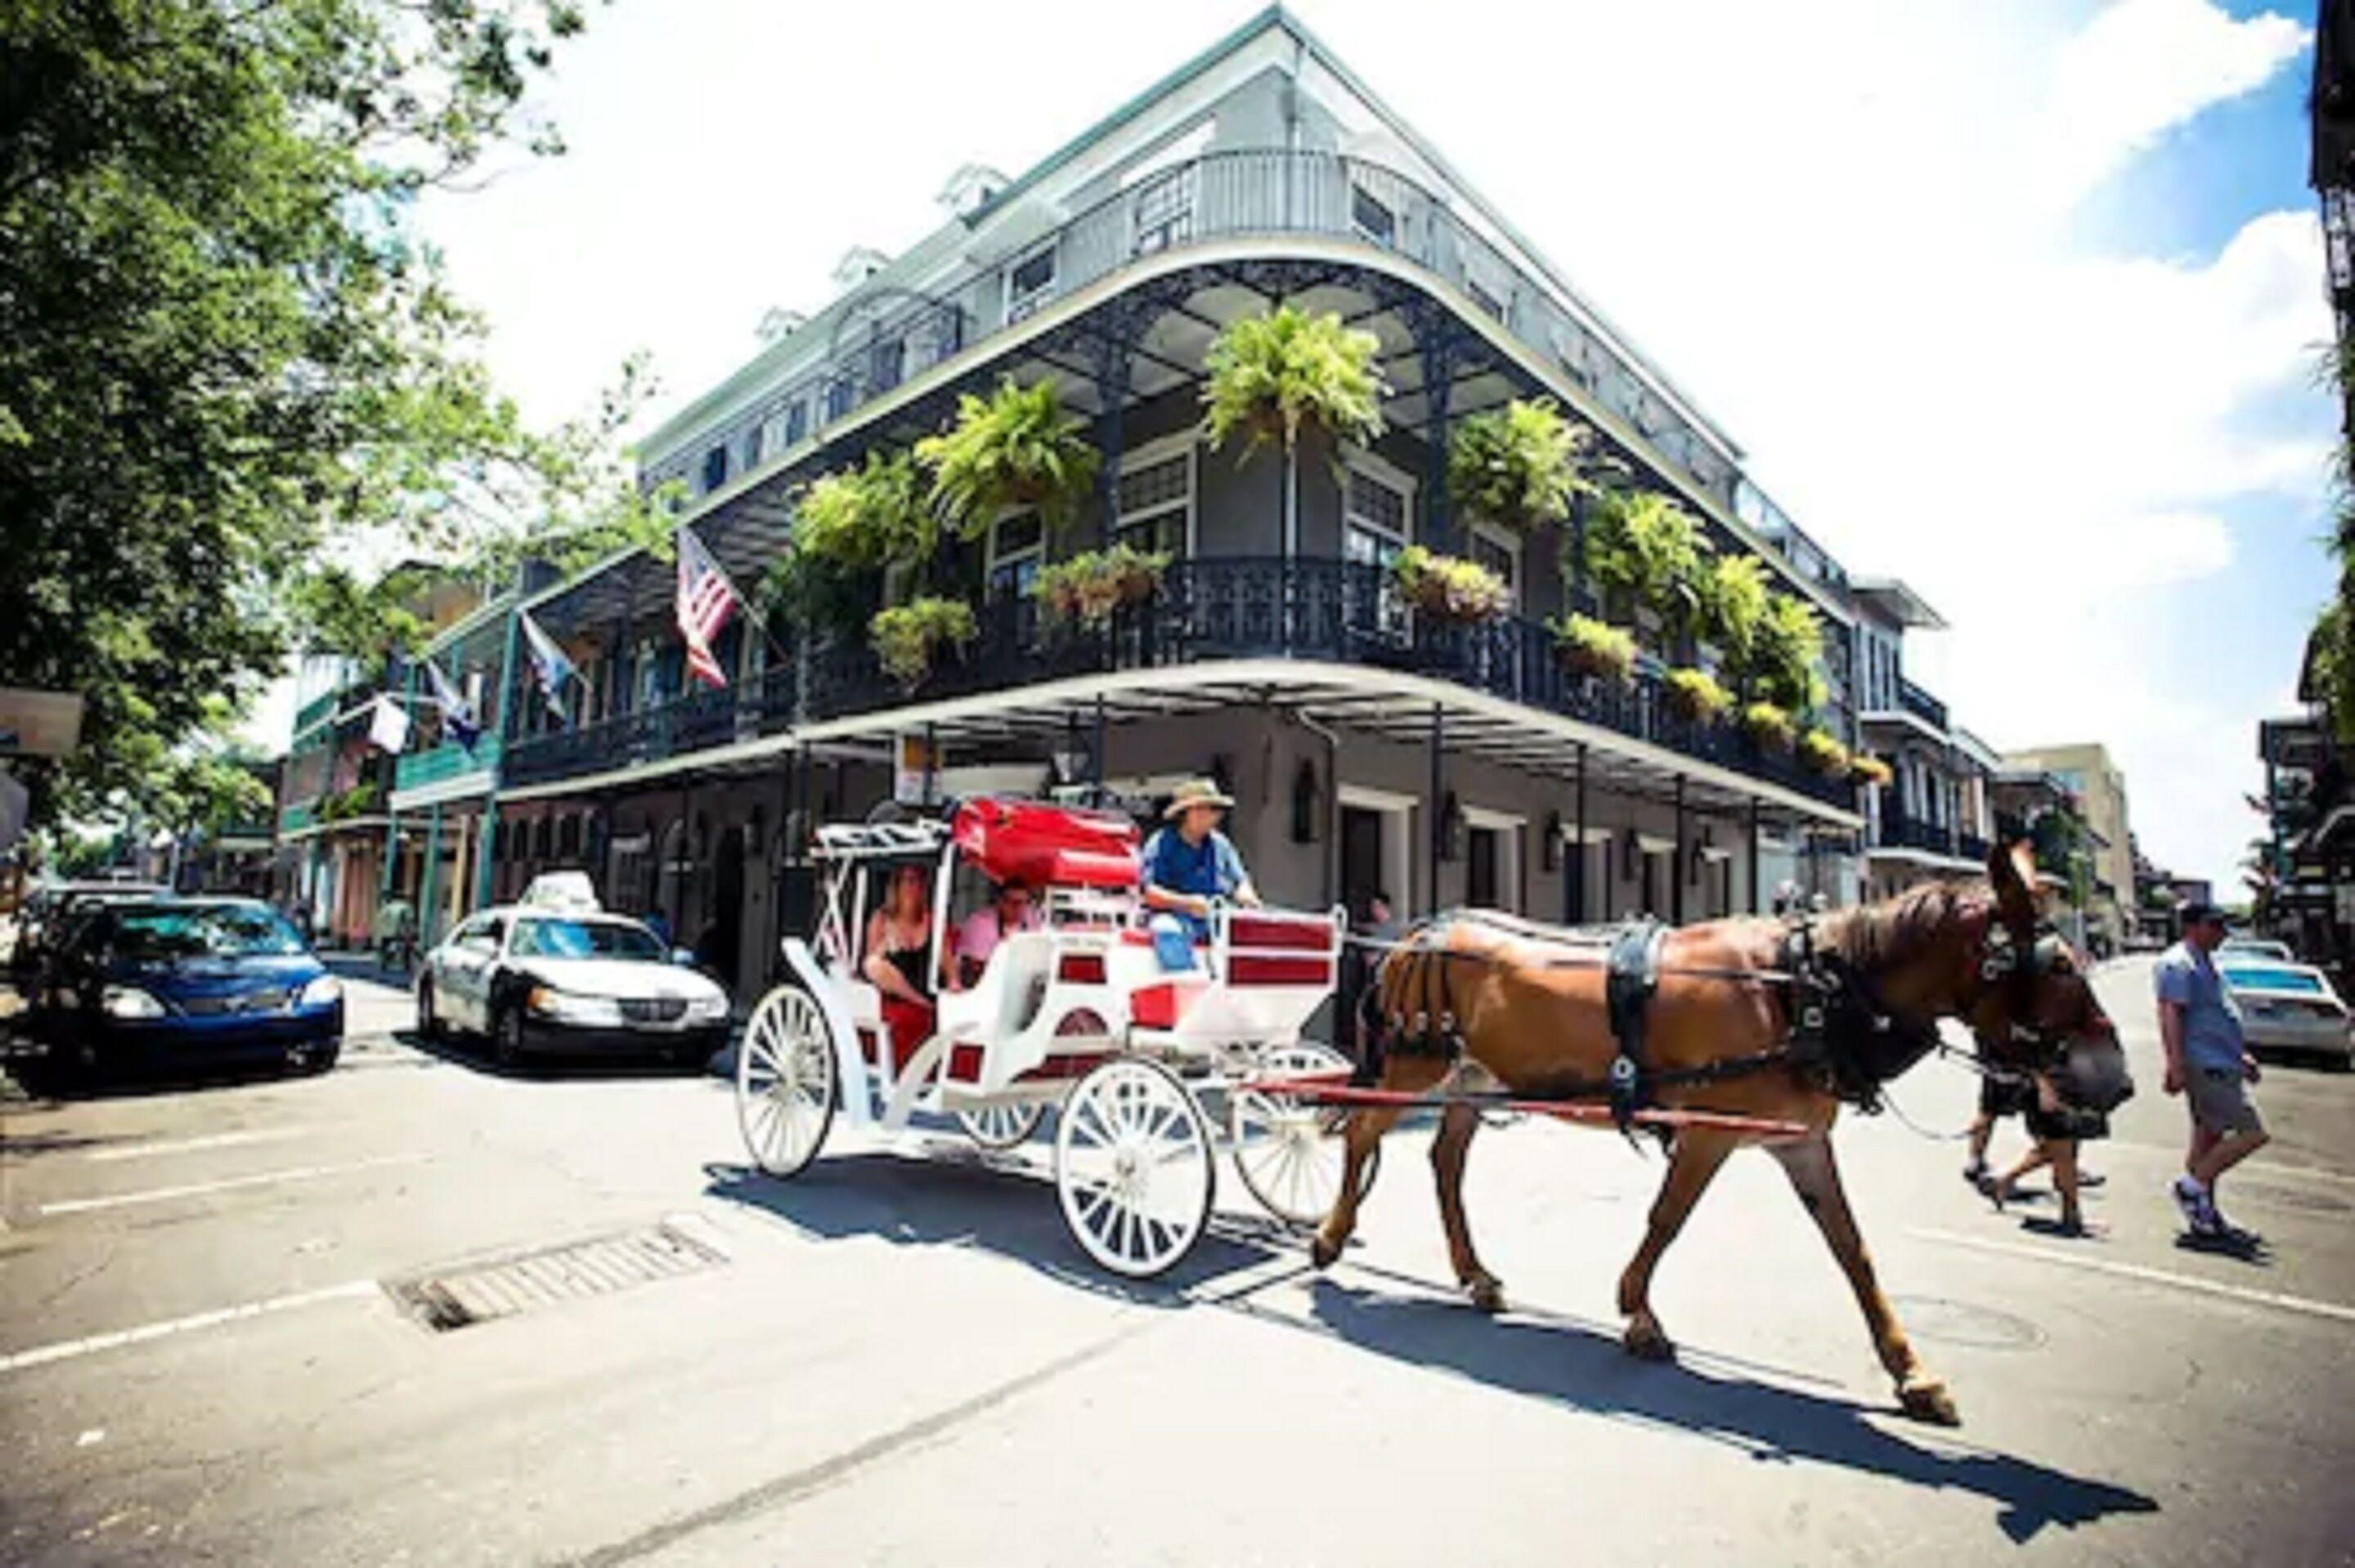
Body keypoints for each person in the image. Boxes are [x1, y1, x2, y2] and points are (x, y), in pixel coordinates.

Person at [2155, 902, 2271, 1242]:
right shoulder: (2178, 963)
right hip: (2205, 1063)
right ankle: (2191, 1187)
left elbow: (2215, 1016)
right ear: (2193, 926)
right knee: (2253, 1133)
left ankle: (2204, 1212)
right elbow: (2170, 1015)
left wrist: (2240, 1056)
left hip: (2221, 1060)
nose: (2222, 934)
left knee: (2208, 1140)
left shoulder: (2205, 962)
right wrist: (2175, 1064)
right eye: (2215, 926)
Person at [1141, 778, 1259, 968]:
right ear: (1188, 812)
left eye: (1216, 810)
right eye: (1209, 809)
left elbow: (1240, 881)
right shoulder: (1162, 843)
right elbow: (1150, 893)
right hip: (1176, 918)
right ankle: (1183, 980)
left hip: (1219, 918)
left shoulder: (1221, 845)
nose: (1215, 815)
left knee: (1257, 935)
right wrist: (1188, 904)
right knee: (1166, 929)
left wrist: (1247, 897)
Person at [864, 862, 936, 1056]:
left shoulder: (931, 921)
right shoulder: (881, 919)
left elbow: (949, 965)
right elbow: (870, 962)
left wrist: (955, 985)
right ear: (897, 885)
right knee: (873, 964)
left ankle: (922, 1002)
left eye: (919, 881)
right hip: (892, 991)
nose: (914, 887)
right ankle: (919, 1001)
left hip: (923, 985)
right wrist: (885, 946)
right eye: (909, 881)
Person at [949, 879, 1038, 991]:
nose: (1017, 908)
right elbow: (975, 965)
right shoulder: (980, 922)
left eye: (1024, 903)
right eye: (1012, 902)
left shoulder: (1032, 921)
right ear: (1000, 902)